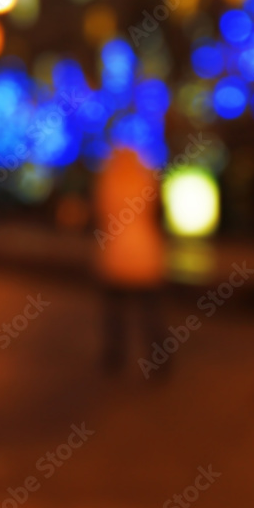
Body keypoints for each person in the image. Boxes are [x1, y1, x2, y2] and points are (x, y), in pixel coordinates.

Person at [93, 147, 167, 376]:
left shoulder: (107, 181)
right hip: (146, 254)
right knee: (151, 315)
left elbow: (100, 215)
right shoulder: (147, 180)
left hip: (115, 255)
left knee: (116, 317)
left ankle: (114, 361)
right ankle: (159, 363)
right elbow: (159, 214)